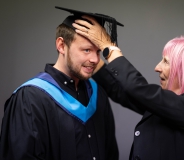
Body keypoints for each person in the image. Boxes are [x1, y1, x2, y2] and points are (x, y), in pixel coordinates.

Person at [72, 16, 184, 160]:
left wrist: (108, 47)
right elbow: (121, 92)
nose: (157, 68)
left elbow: (137, 89)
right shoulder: (166, 108)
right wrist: (93, 61)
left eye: (165, 62)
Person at [0, 6, 124, 160]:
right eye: (86, 50)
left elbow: (110, 153)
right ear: (61, 45)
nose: (95, 59)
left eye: (98, 51)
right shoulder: (31, 98)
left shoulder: (98, 95)